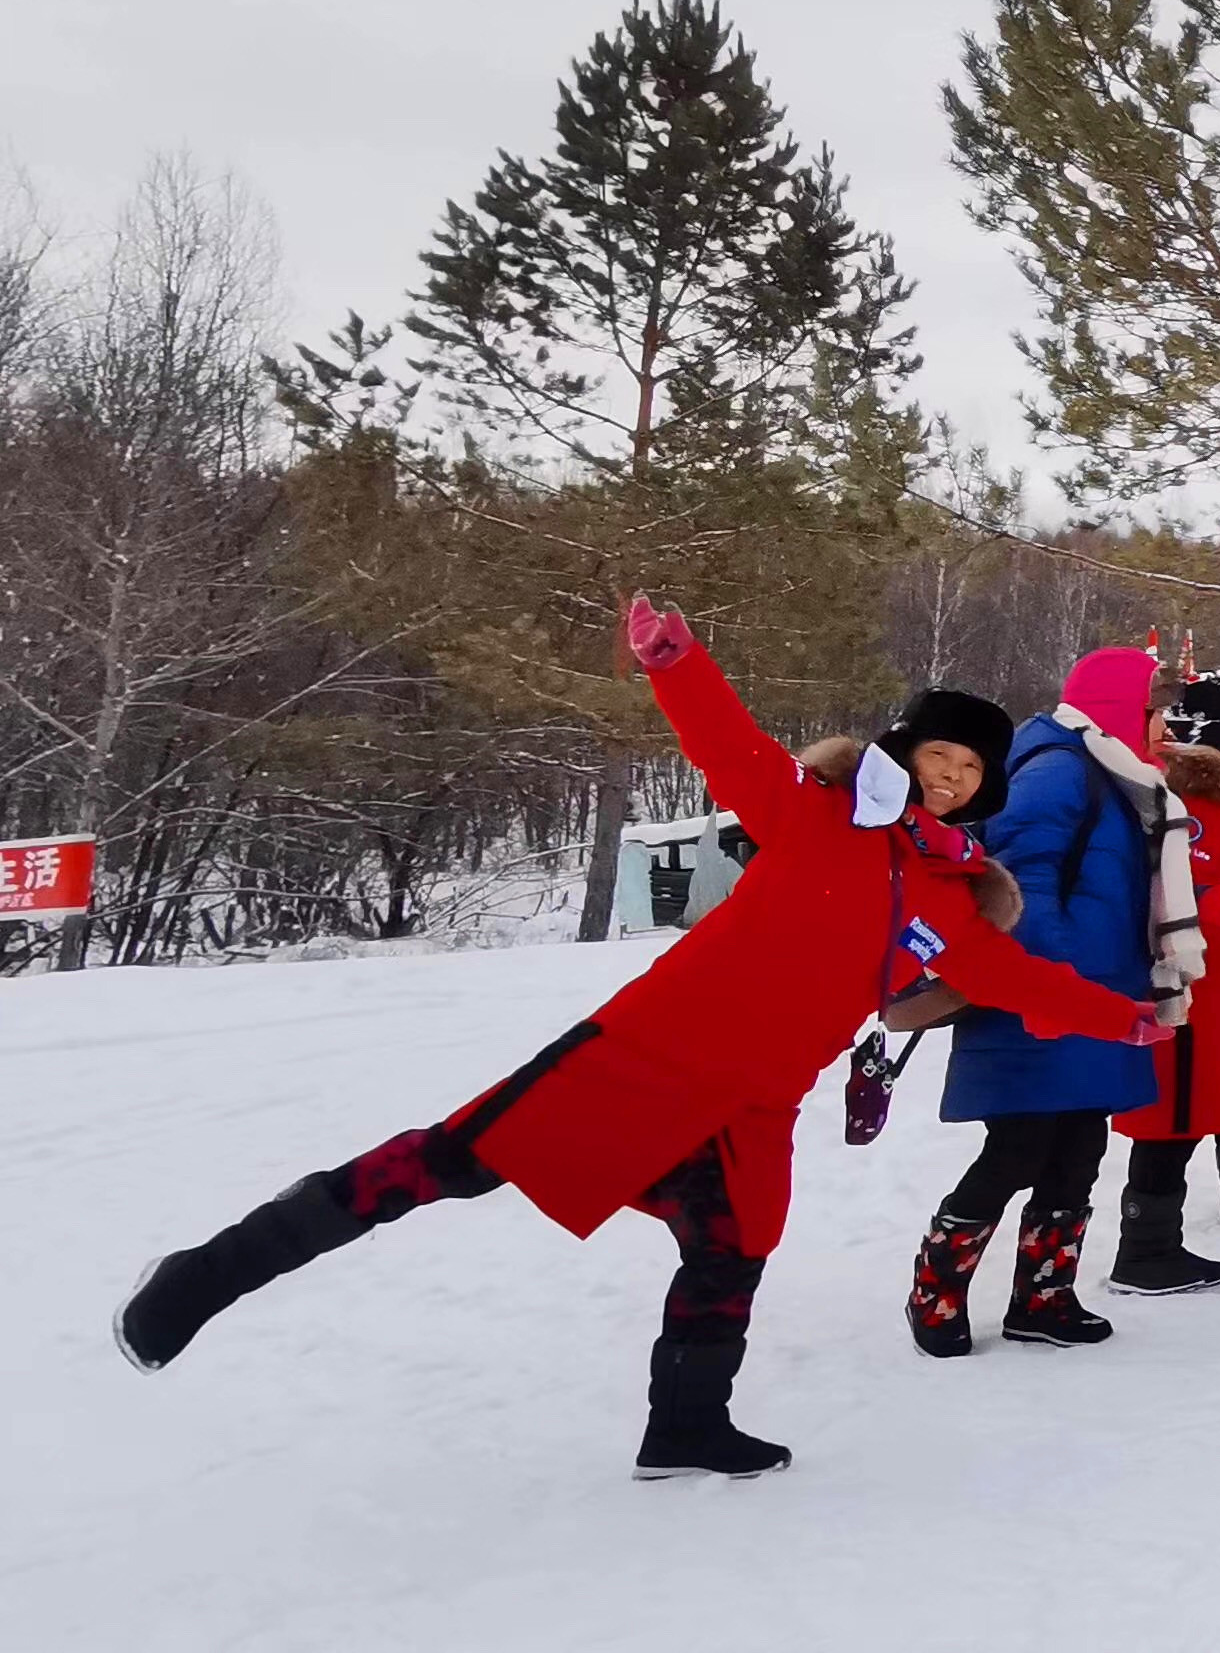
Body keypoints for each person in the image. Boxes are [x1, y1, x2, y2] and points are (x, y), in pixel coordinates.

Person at [113, 595, 1154, 1479]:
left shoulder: (953, 896)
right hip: (648, 1052)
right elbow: (727, 741)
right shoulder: (813, 811)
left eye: (970, 771)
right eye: (938, 755)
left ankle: (688, 1421)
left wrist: (1129, 1017)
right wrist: (676, 662)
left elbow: (1023, 981)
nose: (950, 778)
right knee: (450, 1164)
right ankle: (206, 1274)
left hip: (758, 1099)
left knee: (737, 1243)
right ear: (901, 749)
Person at [913, 644, 1220, 1358]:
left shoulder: (1110, 773)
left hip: (1095, 999)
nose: (1165, 726)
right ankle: (936, 1287)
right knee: (1017, 1148)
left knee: (1079, 1147)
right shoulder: (1059, 769)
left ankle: (1045, 1296)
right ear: (1123, 708)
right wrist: (1060, 988)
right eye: (1156, 711)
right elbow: (1022, 884)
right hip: (1047, 1000)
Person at [1103, 669, 1220, 1295]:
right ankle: (1144, 1251)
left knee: (1186, 1116)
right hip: (1190, 986)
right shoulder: (1179, 807)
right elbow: (1179, 890)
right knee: (1171, 1116)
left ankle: (1157, 1244)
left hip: (1217, 986)